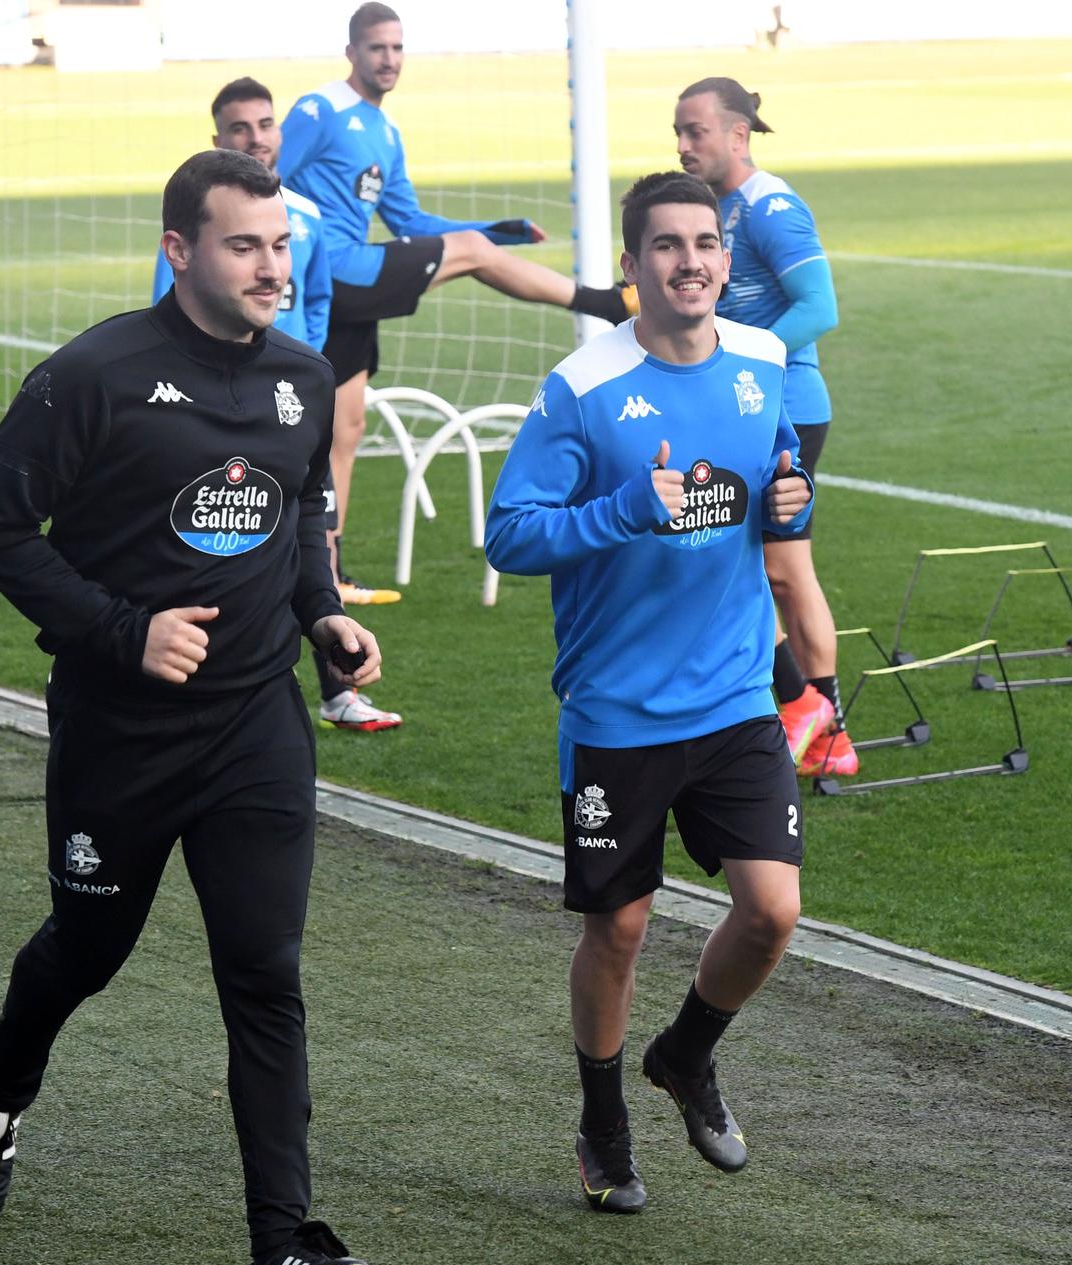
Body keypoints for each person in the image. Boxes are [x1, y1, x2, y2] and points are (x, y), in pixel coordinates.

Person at [0, 149, 377, 1265]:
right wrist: (120, 632)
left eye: (281, 244)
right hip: (118, 735)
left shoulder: (302, 373)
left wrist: (320, 612)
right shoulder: (94, 373)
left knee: (265, 975)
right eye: (244, 245)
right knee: (85, 953)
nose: (271, 268)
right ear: (180, 250)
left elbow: (294, 505)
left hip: (254, 729)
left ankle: (279, 1251)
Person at [485, 171, 813, 1214]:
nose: (691, 262)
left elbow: (771, 491)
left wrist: (789, 500)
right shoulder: (579, 388)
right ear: (632, 267)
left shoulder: (764, 362)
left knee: (771, 911)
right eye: (666, 246)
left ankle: (683, 1056)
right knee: (618, 930)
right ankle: (601, 1118)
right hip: (617, 712)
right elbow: (509, 535)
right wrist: (622, 509)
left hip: (732, 699)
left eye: (706, 243)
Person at [277, 2, 636, 608]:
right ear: (351, 53)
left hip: (354, 291)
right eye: (376, 48)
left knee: (346, 429)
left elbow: (408, 221)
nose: (388, 59)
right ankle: (602, 302)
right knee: (319, 426)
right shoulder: (320, 109)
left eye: (396, 48)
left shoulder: (385, 133)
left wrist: (489, 231)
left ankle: (327, 567)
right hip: (333, 270)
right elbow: (269, 176)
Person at [148, 76, 399, 734]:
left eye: (264, 125)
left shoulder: (306, 218)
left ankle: (338, 687)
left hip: (284, 398)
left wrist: (300, 362)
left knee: (311, 527)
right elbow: (165, 308)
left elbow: (316, 301)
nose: (255, 138)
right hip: (216, 401)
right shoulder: (194, 234)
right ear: (219, 139)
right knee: (218, 531)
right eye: (239, 128)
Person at [674, 77, 854, 777]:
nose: (686, 145)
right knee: (779, 568)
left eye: (697, 132)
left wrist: (749, 367)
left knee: (768, 566)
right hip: (751, 406)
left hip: (783, 407)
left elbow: (820, 306)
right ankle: (828, 732)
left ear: (737, 134)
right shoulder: (716, 209)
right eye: (679, 133)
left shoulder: (771, 207)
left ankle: (806, 707)